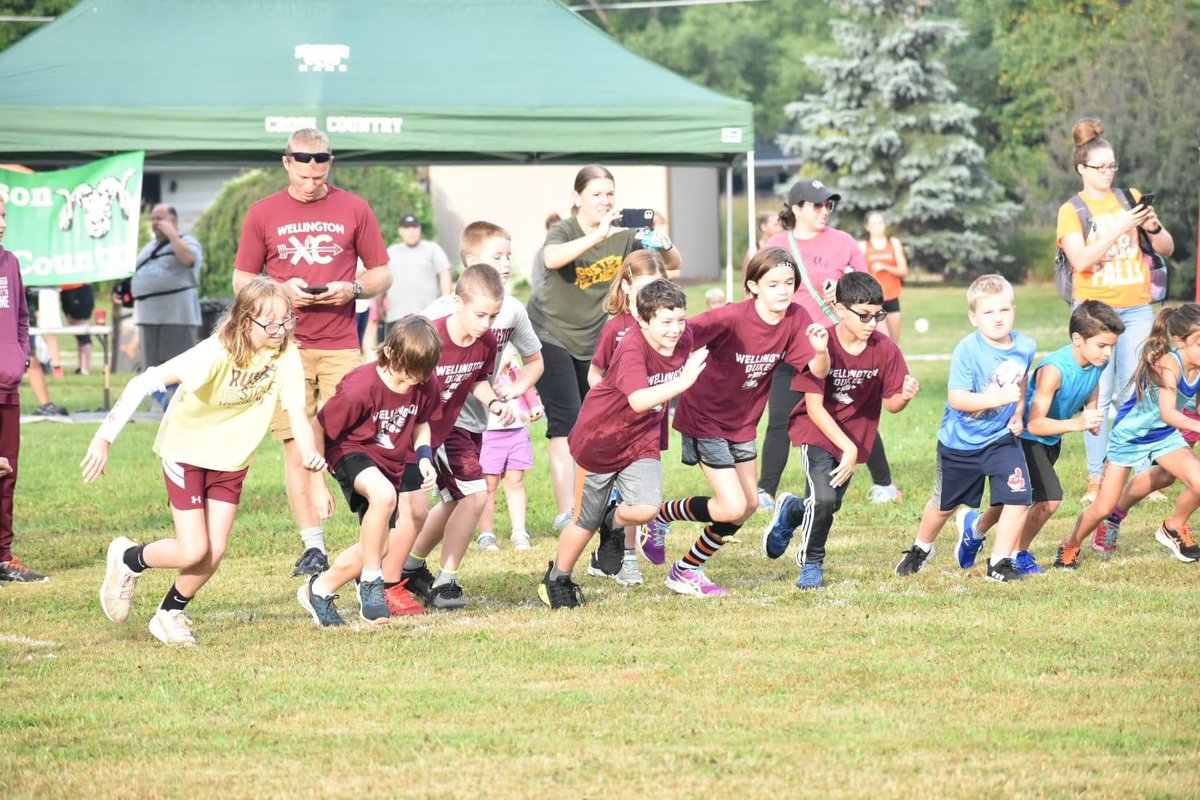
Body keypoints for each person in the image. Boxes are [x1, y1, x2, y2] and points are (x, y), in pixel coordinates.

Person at [86, 278, 323, 646]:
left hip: (232, 460)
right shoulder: (215, 353)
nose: (280, 330)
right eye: (270, 323)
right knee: (193, 548)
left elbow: (297, 415)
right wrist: (104, 437)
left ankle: (169, 613)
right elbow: (142, 383)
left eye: (286, 320)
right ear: (245, 321)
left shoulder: (286, 354)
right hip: (187, 452)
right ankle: (130, 558)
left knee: (215, 549)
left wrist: (310, 456)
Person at [233, 128, 391, 578]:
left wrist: (352, 287)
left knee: (357, 437)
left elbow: (382, 273)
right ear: (287, 164)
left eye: (319, 170)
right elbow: (242, 280)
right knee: (294, 445)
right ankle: (314, 547)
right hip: (287, 346)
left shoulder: (354, 207)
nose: (311, 179)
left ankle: (373, 527)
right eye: (302, 171)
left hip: (342, 342)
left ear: (329, 164)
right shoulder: (262, 212)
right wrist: (280, 291)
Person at [649, 248, 829, 597]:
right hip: (704, 417)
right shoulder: (730, 317)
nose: (783, 290)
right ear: (753, 286)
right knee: (731, 505)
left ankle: (685, 569)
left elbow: (816, 371)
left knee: (747, 506)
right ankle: (660, 515)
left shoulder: (797, 318)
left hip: (743, 423)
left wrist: (821, 351)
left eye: (789, 283)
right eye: (773, 283)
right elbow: (677, 336)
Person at [527, 166, 681, 534]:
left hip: (596, 339)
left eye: (610, 194)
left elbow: (673, 266)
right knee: (566, 422)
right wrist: (597, 235)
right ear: (577, 197)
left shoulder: (625, 236)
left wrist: (661, 239)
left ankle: (600, 499)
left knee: (595, 422)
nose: (605, 201)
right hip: (553, 333)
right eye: (596, 194)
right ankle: (568, 511)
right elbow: (551, 259)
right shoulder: (564, 230)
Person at [538, 280, 707, 610]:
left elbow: (715, 327)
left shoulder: (683, 335)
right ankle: (558, 577)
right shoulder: (633, 346)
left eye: (681, 320)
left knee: (647, 509)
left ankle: (613, 519)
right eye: (666, 322)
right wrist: (683, 381)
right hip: (600, 440)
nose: (676, 330)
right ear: (642, 321)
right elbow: (639, 399)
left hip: (640, 439)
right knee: (583, 522)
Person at [762, 272, 919, 589]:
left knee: (829, 504)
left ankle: (791, 510)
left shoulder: (885, 349)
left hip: (855, 437)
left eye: (878, 315)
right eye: (863, 315)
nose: (871, 323)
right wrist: (846, 448)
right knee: (821, 501)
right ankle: (811, 564)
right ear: (840, 310)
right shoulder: (822, 344)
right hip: (817, 431)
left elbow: (890, 405)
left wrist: (904, 396)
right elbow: (815, 407)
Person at [756, 179, 903, 509]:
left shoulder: (844, 241)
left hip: (837, 344)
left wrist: (841, 287)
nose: (825, 211)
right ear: (796, 208)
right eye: (817, 205)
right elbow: (759, 293)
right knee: (780, 417)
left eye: (829, 205)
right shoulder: (777, 244)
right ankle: (765, 491)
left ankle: (884, 484)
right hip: (790, 344)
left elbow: (868, 287)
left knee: (853, 413)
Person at [954, 301, 1123, 576]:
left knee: (1011, 501)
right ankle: (1018, 553)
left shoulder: (1096, 362)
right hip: (1026, 439)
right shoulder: (1054, 370)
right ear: (1077, 339)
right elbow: (1034, 422)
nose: (1108, 353)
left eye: (1112, 346)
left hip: (1050, 442)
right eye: (1102, 345)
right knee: (1049, 500)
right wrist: (1077, 423)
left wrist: (1092, 411)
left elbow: (1092, 385)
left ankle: (975, 528)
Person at [407, 223, 544, 557]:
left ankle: (409, 565)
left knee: (456, 499)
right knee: (454, 497)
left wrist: (512, 393)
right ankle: (413, 569)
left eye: (509, 256)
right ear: (469, 261)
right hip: (435, 420)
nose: (508, 264)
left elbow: (534, 360)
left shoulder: (511, 310)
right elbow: (404, 360)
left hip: (476, 419)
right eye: (498, 256)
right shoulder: (438, 316)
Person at [383, 265, 514, 611]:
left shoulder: (486, 340)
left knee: (465, 498)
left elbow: (476, 379)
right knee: (412, 511)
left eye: (494, 315)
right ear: (457, 303)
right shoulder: (430, 338)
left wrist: (495, 404)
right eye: (480, 314)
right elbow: (391, 376)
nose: (487, 323)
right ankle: (388, 577)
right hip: (409, 433)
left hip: (444, 431)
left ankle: (423, 574)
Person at [1058, 117, 1174, 504]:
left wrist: (1153, 228)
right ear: (1081, 168)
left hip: (1138, 308)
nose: (1107, 173)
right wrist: (1117, 227)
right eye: (1099, 167)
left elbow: (1167, 248)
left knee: (1137, 391)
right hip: (1095, 312)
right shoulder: (1072, 209)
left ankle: (1141, 471)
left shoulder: (1129, 196)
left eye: (1112, 166)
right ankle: (1097, 478)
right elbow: (1081, 259)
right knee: (1098, 396)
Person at [297, 315, 441, 627]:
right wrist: (317, 484)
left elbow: (421, 423)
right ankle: (372, 583)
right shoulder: (360, 387)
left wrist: (426, 458)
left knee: (378, 546)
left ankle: (318, 589)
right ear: (389, 353)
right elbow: (318, 428)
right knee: (384, 494)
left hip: (389, 461)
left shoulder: (423, 380)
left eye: (418, 379)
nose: (411, 384)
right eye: (404, 377)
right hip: (349, 451)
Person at [895, 274, 1036, 583]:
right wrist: (997, 398)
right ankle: (922, 547)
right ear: (973, 317)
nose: (998, 319)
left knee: (1019, 497)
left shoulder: (1025, 346)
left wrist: (1019, 412)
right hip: (960, 444)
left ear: (1013, 309)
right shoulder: (967, 350)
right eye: (989, 312)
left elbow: (1021, 378)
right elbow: (957, 399)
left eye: (1004, 310)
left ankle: (1000, 562)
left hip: (1000, 440)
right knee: (943, 506)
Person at [1055, 304, 1200, 569]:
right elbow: (1168, 412)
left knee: (1191, 479)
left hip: (1163, 436)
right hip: (1129, 437)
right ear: (1178, 341)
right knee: (1102, 506)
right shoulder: (1169, 364)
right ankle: (1071, 543)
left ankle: (1174, 526)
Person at [584, 249, 671, 586]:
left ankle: (623, 558)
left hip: (648, 426)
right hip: (613, 427)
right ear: (627, 284)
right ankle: (615, 557)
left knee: (638, 497)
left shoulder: (666, 328)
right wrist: (609, 404)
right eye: (647, 286)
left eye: (659, 286)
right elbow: (596, 372)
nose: (653, 296)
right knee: (610, 502)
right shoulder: (616, 328)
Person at [0, 199, 47, 583]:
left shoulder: (10, 262)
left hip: (9, 387)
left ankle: (4, 558)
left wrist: (21, 357)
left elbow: (20, 319)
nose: (1, 224)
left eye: (2, 216)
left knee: (6, 473)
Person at [127, 205, 204, 383]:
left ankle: (178, 407)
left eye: (160, 219)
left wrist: (173, 237)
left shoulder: (187, 242)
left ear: (173, 221)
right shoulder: (149, 246)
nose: (155, 223)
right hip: (147, 317)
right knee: (151, 371)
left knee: (177, 369)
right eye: (153, 219)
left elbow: (188, 260)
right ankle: (157, 406)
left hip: (176, 318)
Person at [477, 351, 543, 552]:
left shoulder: (513, 366)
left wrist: (534, 406)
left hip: (516, 430)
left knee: (516, 480)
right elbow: (484, 387)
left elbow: (525, 387)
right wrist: (500, 363)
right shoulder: (485, 365)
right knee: (489, 484)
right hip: (489, 432)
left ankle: (519, 531)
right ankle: (486, 534)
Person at [380, 213, 452, 336]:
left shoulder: (433, 249)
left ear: (420, 229)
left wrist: (446, 302)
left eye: (415, 227)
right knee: (395, 353)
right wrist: (379, 304)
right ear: (400, 231)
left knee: (429, 353)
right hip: (397, 316)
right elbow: (382, 278)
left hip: (428, 316)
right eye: (407, 228)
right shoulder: (391, 251)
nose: (411, 231)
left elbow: (444, 273)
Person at [857, 211, 908, 342]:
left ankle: (893, 363)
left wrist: (885, 267)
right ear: (867, 227)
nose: (878, 226)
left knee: (894, 345)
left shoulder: (894, 243)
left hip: (892, 298)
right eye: (873, 224)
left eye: (880, 223)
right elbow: (857, 275)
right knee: (885, 340)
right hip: (874, 300)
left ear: (885, 225)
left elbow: (904, 271)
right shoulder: (863, 246)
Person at [58, 283, 95, 374]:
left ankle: (85, 369)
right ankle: (82, 367)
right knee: (79, 334)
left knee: (83, 334)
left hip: (79, 290)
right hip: (68, 290)